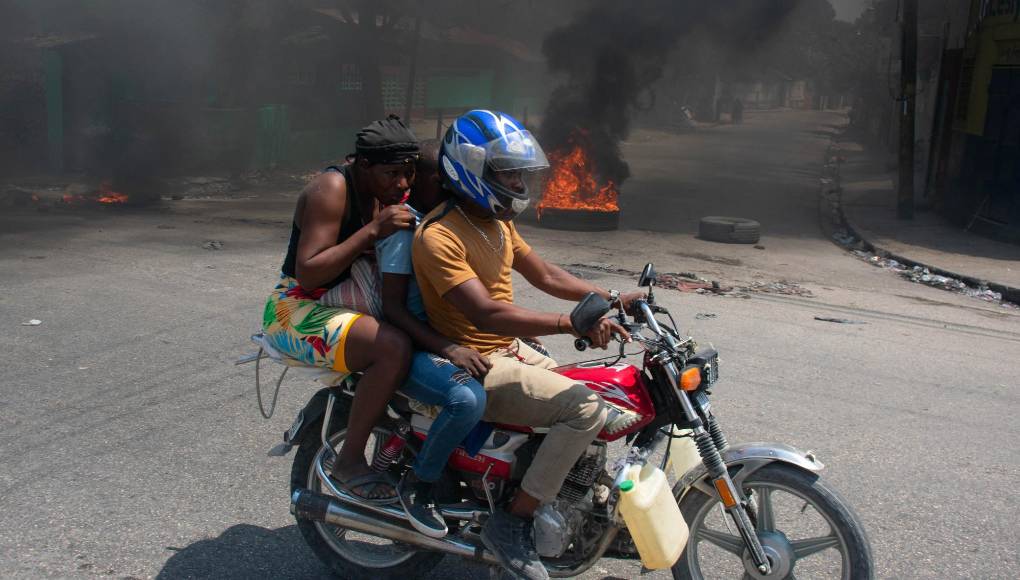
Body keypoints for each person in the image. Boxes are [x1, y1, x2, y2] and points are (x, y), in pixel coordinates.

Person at [412, 110, 639, 580]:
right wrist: (570, 323)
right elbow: (486, 314)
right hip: (477, 360)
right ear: (471, 170)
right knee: (582, 410)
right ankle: (511, 523)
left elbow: (547, 275)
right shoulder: (439, 236)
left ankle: (567, 497)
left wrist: (610, 296)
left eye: (519, 171)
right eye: (506, 171)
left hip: (510, 348)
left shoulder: (495, 222)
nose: (517, 181)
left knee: (601, 395)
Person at [261, 116, 418, 503]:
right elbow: (309, 272)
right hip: (295, 309)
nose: (402, 184)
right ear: (363, 166)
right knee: (392, 347)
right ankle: (348, 463)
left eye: (409, 172)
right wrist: (371, 231)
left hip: (345, 295)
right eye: (392, 173)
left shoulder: (384, 190)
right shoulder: (331, 188)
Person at [375, 139, 490, 538]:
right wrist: (450, 348)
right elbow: (394, 308)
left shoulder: (441, 221)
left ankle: (480, 475)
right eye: (443, 183)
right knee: (467, 399)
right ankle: (420, 486)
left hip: (440, 336)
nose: (452, 192)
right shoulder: (406, 230)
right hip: (413, 345)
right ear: (419, 181)